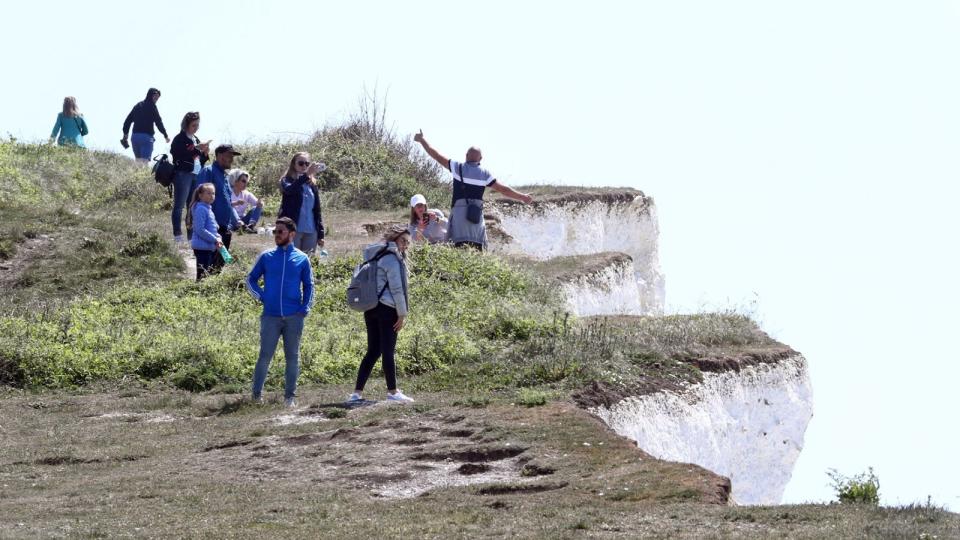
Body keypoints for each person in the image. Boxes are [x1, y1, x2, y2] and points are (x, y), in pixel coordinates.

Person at [413, 130, 533, 250]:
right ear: (480, 159)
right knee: (477, 249)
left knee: (456, 248)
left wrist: (422, 140)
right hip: (475, 221)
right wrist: (522, 197)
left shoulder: (457, 167)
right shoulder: (485, 174)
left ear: (466, 156)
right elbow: (504, 190)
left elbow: (436, 155)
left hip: (459, 221)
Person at [245, 217, 315, 407]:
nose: (276, 235)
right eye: (275, 231)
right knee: (264, 356)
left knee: (292, 357)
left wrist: (305, 307)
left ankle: (289, 397)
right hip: (270, 317)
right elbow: (250, 280)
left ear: (292, 234)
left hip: (294, 317)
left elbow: (309, 285)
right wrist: (261, 297)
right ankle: (256, 396)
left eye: (280, 232)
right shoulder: (266, 257)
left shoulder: (302, 258)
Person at [349, 225, 415, 404]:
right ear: (394, 239)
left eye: (408, 242)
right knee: (388, 351)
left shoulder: (374, 254)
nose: (405, 245)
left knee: (373, 351)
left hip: (370, 308)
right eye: (403, 241)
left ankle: (356, 393)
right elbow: (397, 289)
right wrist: (402, 314)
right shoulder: (392, 259)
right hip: (387, 309)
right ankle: (393, 392)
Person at [197, 145, 243, 271]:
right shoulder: (208, 171)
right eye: (229, 156)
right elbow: (199, 197)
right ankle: (201, 289)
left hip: (224, 229)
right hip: (211, 230)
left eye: (232, 156)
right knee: (206, 269)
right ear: (219, 156)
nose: (231, 159)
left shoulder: (225, 177)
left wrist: (236, 221)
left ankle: (214, 288)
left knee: (219, 266)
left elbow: (227, 201)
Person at [170, 112, 210, 243]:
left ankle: (190, 237)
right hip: (183, 174)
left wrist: (204, 152)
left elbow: (200, 159)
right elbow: (179, 154)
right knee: (179, 205)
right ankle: (177, 235)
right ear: (186, 125)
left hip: (195, 174)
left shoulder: (196, 139)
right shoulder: (179, 139)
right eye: (194, 125)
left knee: (192, 206)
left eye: (197, 125)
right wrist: (197, 150)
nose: (196, 127)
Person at [278, 152, 325, 254]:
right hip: (293, 229)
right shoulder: (286, 180)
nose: (304, 166)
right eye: (301, 163)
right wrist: (306, 175)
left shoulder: (312, 184)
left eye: (307, 164)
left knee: (308, 262)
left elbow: (317, 210)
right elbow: (290, 190)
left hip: (311, 229)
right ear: (294, 164)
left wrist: (321, 234)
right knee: (291, 260)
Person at [121, 88, 170, 163]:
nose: (156, 99)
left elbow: (127, 121)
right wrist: (165, 135)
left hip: (135, 138)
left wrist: (125, 135)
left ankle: (136, 174)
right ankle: (141, 174)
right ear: (150, 95)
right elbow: (158, 122)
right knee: (144, 163)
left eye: (158, 97)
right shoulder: (153, 107)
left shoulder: (138, 106)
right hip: (147, 138)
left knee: (138, 161)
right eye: (155, 96)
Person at [188, 183, 223, 281]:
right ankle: (197, 293)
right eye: (208, 193)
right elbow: (200, 230)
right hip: (201, 247)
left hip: (209, 247)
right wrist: (215, 239)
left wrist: (218, 237)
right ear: (200, 195)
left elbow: (213, 228)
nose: (212, 196)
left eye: (213, 193)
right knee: (202, 275)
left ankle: (203, 292)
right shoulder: (200, 209)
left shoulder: (208, 209)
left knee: (207, 274)